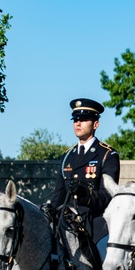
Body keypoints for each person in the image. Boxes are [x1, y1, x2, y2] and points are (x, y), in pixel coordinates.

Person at [45, 98, 121, 259]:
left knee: (105, 267)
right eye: (76, 120)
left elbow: (108, 196)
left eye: (84, 120)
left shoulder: (107, 155)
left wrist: (84, 194)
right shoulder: (68, 156)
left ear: (95, 124)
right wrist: (48, 210)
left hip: (95, 226)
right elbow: (58, 195)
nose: (78, 123)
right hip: (66, 223)